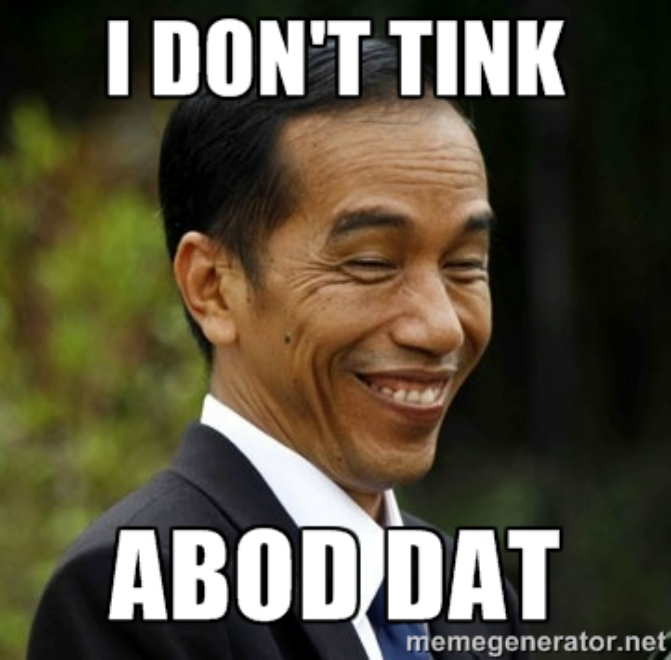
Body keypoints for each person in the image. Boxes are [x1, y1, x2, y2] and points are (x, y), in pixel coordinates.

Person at [28, 40, 527, 659]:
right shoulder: (135, 597)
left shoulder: (473, 601)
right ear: (213, 287)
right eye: (372, 262)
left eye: (464, 264)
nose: (441, 327)